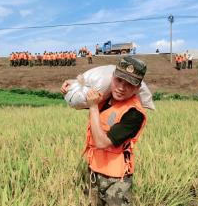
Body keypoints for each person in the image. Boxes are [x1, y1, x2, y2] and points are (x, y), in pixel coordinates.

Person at [61, 56, 148, 206]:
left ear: (137, 88)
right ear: (112, 77)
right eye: (119, 80)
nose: (121, 87)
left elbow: (102, 143)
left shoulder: (134, 113)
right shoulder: (106, 98)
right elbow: (80, 99)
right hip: (93, 171)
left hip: (116, 181)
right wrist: (73, 85)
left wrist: (94, 107)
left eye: (129, 84)